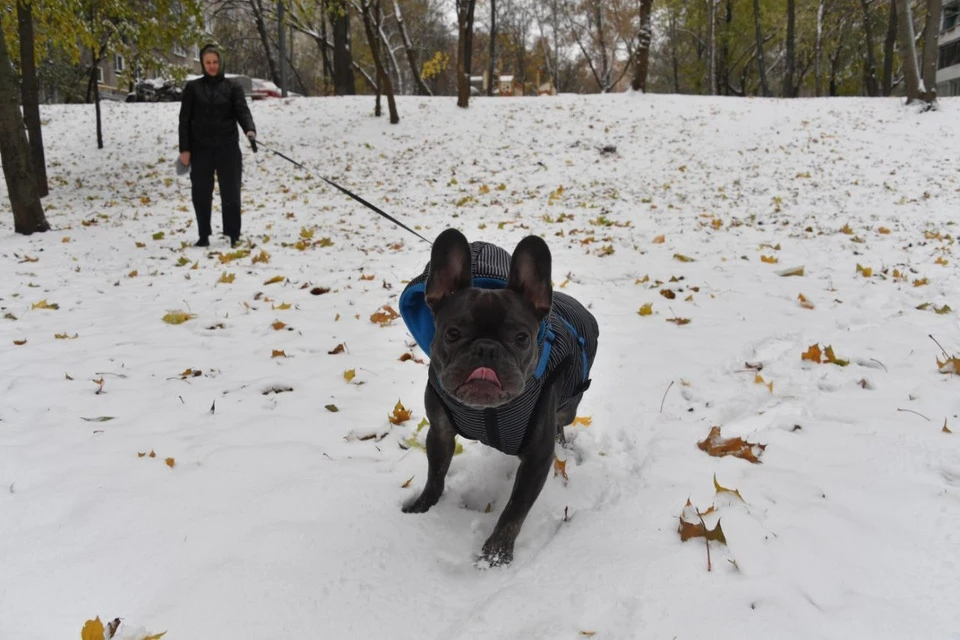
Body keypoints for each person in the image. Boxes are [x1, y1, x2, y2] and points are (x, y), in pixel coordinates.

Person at [179, 44, 256, 248]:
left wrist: (250, 130)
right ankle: (203, 234)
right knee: (201, 192)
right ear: (203, 65)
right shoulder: (193, 89)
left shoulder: (233, 87)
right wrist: (184, 150)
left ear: (220, 62)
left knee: (231, 192)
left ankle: (233, 234)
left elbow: (242, 111)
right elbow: (184, 120)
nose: (212, 66)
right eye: (208, 62)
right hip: (200, 149)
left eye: (215, 62)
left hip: (227, 148)